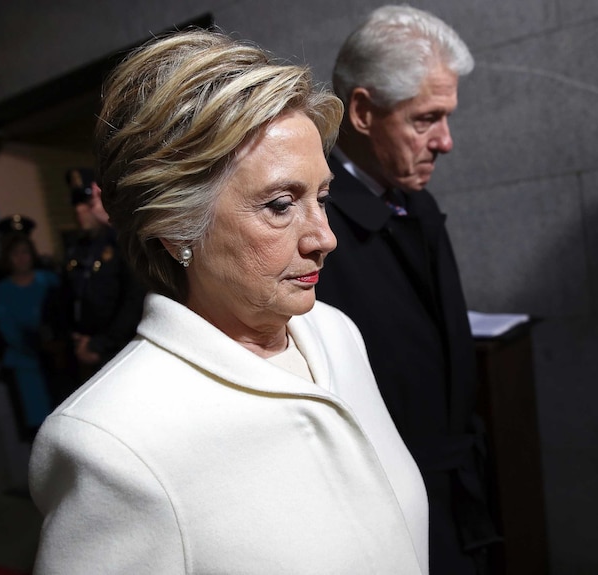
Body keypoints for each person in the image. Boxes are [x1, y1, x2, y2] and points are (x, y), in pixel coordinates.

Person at [29, 29, 429, 574]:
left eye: (322, 197)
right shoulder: (112, 443)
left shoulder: (335, 333)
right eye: (281, 204)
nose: (325, 237)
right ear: (174, 227)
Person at [316, 6, 500, 574]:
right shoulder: (312, 221)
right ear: (364, 111)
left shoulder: (414, 201)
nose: (445, 141)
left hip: (453, 489)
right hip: (382, 507)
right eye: (426, 119)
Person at [57, 167, 144, 392]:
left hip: (121, 348)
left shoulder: (119, 241)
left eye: (86, 203)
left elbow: (134, 298)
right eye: (76, 204)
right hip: (88, 348)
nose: (79, 211)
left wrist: (100, 344)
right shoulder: (79, 248)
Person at [0, 233, 58, 440]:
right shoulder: (2, 290)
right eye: (15, 254)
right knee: (38, 428)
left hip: (55, 358)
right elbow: (5, 326)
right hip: (25, 363)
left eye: (25, 253)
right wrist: (31, 344)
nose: (21, 258)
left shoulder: (48, 280)